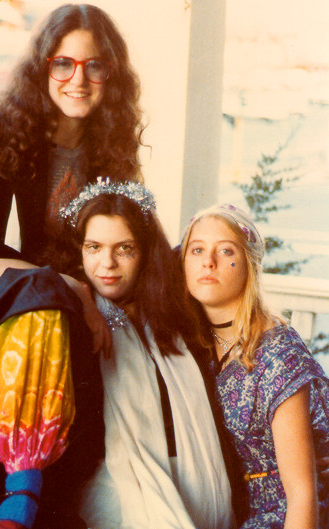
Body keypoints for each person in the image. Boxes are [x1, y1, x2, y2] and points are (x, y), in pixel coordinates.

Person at [0, 4, 144, 528]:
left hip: (68, 325)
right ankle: (20, 490)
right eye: (64, 64)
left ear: (111, 75)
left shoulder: (111, 160)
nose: (79, 79)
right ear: (42, 69)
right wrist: (55, 284)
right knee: (43, 301)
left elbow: (128, 248)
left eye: (95, 65)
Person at [56, 179, 235, 529]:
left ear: (145, 251)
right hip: (117, 486)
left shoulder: (172, 311)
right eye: (93, 247)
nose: (107, 263)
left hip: (197, 478)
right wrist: (75, 288)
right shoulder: (76, 313)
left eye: (124, 248)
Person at [181, 203, 329, 529]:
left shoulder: (277, 355)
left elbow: (302, 494)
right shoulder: (195, 341)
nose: (208, 261)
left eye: (225, 250)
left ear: (249, 263)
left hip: (276, 513)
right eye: (197, 250)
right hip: (221, 508)